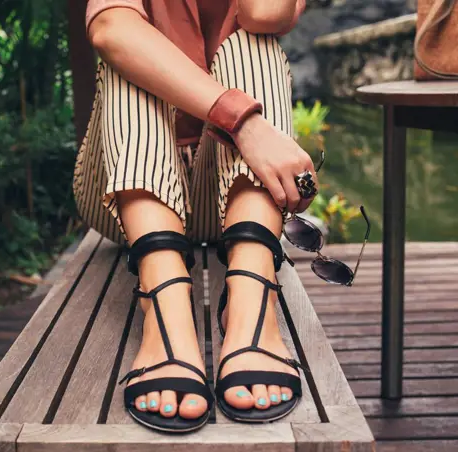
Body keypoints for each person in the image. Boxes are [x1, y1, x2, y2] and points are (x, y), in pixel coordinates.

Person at [73, 0, 314, 432]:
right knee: (129, 44)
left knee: (254, 42)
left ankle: (252, 309)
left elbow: (263, 14)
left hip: (230, 188)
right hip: (129, 192)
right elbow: (110, 29)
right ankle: (166, 316)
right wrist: (242, 122)